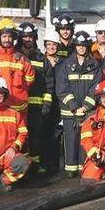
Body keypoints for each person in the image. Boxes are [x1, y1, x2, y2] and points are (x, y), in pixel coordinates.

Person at [56, 31, 102, 177]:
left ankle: (84, 166)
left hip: (88, 112)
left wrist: (86, 107)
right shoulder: (66, 65)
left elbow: (96, 88)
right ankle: (70, 169)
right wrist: (74, 107)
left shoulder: (94, 66)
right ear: (75, 46)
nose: (81, 48)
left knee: (86, 140)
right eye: (79, 45)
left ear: (88, 47)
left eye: (84, 46)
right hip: (70, 112)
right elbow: (62, 88)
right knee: (70, 140)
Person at [18, 22, 55, 172]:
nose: (28, 39)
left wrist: (46, 103)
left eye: (31, 37)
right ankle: (20, 167)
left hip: (36, 107)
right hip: (17, 107)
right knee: (19, 138)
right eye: (25, 37)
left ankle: (35, 166)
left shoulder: (41, 58)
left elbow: (49, 83)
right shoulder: (14, 56)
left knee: (37, 139)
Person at [0, 20, 34, 116]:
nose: (7, 39)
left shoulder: (23, 60)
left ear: (14, 38)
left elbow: (28, 83)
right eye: (4, 36)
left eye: (10, 36)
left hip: (18, 109)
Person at [39, 28, 64, 172]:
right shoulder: (40, 60)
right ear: (45, 45)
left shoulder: (63, 62)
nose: (51, 47)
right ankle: (43, 164)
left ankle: (54, 164)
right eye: (49, 44)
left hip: (58, 103)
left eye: (54, 44)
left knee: (56, 134)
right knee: (43, 133)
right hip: (44, 102)